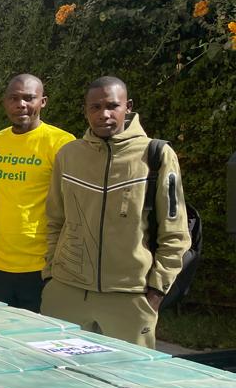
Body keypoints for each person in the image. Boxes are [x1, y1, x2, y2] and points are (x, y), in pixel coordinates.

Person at [41, 77, 190, 346]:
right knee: (58, 380)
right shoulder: (68, 155)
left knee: (128, 382)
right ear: (85, 110)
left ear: (128, 106)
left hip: (129, 296)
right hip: (66, 292)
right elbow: (55, 220)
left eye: (112, 105)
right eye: (95, 107)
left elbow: (175, 232)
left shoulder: (156, 155)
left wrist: (156, 291)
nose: (104, 114)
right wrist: (51, 273)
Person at [0, 74, 74, 312]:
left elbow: (72, 206)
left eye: (29, 98)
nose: (21, 104)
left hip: (41, 267)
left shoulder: (62, 143)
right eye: (14, 98)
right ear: (5, 102)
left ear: (43, 101)